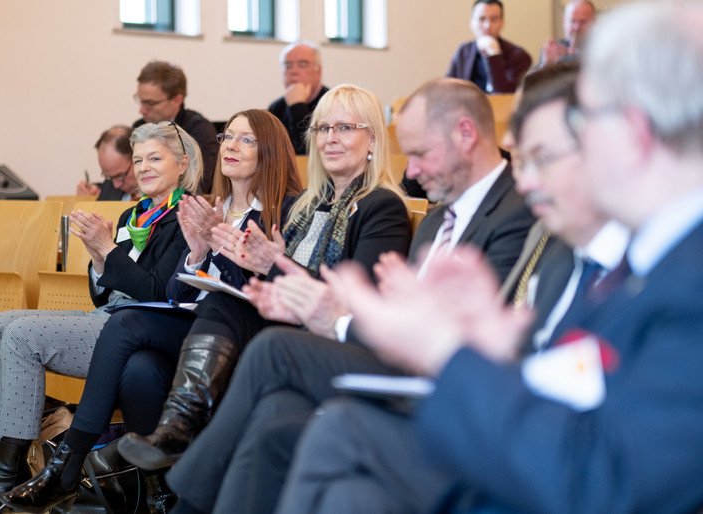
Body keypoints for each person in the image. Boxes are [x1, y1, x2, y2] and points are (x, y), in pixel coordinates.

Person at [280, 2, 703, 512]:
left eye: (580, 126)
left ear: (634, 130)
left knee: (344, 442)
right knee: (349, 487)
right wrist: (496, 346)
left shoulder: (681, 276)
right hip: (534, 456)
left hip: (549, 479)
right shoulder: (642, 258)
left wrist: (447, 348)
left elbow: (605, 481)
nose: (524, 177)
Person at [157, 77, 536, 514]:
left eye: (419, 153)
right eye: (322, 130)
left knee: (274, 350)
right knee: (274, 416)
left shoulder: (505, 214)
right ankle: (181, 477)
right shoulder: (431, 222)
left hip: (428, 375)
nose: (410, 171)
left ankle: (181, 484)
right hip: (368, 345)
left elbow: (476, 331)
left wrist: (302, 286)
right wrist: (236, 259)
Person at [0, 110, 303, 514]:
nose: (231, 146)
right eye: (227, 137)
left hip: (236, 332)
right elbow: (172, 290)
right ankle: (157, 493)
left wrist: (239, 259)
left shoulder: (281, 209)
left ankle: (68, 462)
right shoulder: (212, 208)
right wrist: (199, 252)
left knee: (125, 320)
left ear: (269, 151)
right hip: (189, 323)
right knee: (139, 368)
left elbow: (163, 291)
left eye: (246, 140)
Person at [115, 84, 413, 473]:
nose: (330, 139)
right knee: (152, 354)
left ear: (372, 139)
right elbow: (266, 279)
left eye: (344, 128)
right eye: (322, 129)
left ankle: (170, 442)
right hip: (283, 320)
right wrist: (221, 252)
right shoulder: (309, 206)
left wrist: (268, 263)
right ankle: (176, 429)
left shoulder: (380, 205)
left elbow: (361, 306)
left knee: (142, 326)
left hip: (330, 337)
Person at [0, 122, 202, 514]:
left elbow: (156, 291)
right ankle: (4, 464)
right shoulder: (136, 214)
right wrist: (99, 258)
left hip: (137, 329)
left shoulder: (187, 216)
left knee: (22, 336)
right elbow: (102, 291)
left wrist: (107, 250)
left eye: (155, 158)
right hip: (109, 314)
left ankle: (6, 473)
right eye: (138, 159)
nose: (144, 167)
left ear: (182, 164)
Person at [133, 60, 219, 195]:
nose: (142, 110)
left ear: (177, 100)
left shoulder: (199, 130)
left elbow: (200, 184)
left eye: (150, 103)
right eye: (140, 101)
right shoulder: (139, 126)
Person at [447, 0, 532, 93]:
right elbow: (448, 88)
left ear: (502, 23)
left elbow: (506, 94)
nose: (487, 25)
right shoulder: (464, 51)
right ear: (472, 23)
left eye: (494, 19)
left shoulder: (519, 56)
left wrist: (494, 55)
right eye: (481, 19)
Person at [268, 41, 329, 155]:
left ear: (319, 71)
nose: (294, 71)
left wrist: (297, 106)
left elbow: (312, 151)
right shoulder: (276, 108)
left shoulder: (332, 103)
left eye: (303, 64)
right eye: (288, 65)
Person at [76, 125, 140, 200]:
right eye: (109, 177)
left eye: (120, 176)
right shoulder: (108, 189)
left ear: (138, 159)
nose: (116, 185)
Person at [540, 0, 597, 66]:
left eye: (583, 22)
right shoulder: (554, 49)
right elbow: (535, 75)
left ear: (594, 23)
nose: (576, 27)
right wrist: (546, 64)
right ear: (564, 22)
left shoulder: (603, 49)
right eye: (572, 21)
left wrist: (576, 55)